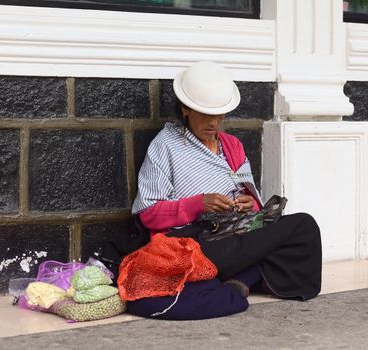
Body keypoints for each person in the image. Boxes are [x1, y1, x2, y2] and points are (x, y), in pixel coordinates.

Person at [126, 61, 322, 319]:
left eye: (219, 115)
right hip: (195, 243)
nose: (214, 123)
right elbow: (148, 214)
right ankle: (249, 277)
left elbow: (255, 206)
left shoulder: (232, 146)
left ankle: (241, 279)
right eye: (205, 115)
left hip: (235, 231)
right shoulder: (165, 146)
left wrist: (249, 205)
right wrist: (199, 204)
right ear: (185, 109)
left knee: (303, 226)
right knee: (265, 250)